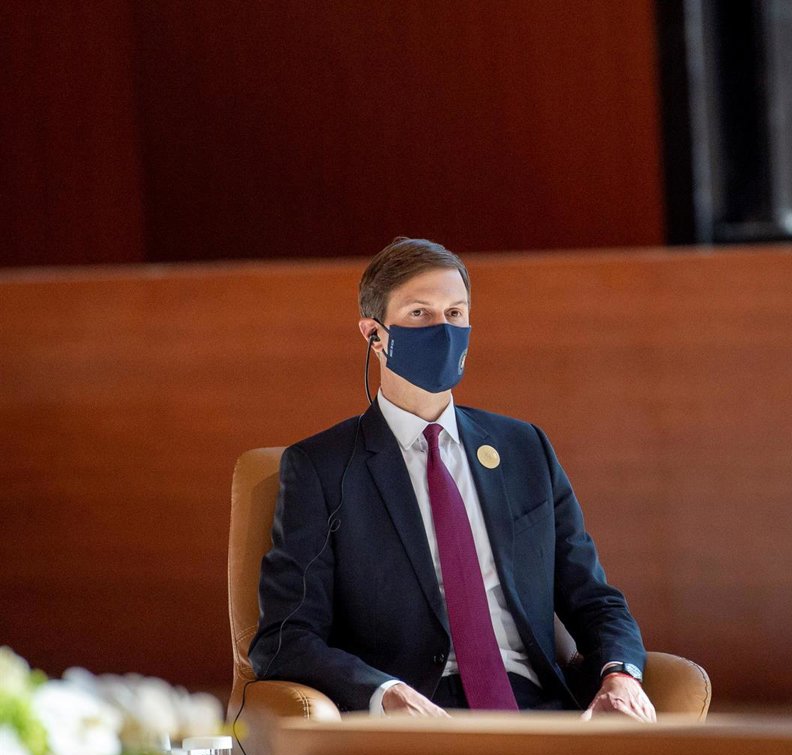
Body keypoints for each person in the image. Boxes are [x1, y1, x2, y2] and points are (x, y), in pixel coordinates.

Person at [249, 236, 655, 721]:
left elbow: (594, 599)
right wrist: (383, 693)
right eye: (419, 313)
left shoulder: (525, 449)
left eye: (455, 313)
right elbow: (284, 638)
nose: (443, 330)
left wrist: (620, 674)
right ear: (374, 335)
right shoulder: (322, 468)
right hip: (417, 708)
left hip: (535, 704)